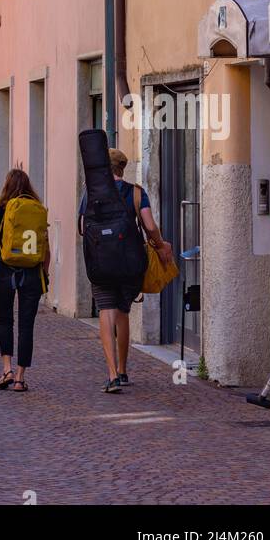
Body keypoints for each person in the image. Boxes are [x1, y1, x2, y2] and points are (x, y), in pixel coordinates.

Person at [78, 147, 173, 393]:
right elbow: (149, 226)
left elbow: (81, 225)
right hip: (129, 263)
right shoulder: (136, 193)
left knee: (106, 311)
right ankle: (122, 370)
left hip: (100, 263)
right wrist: (161, 246)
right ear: (122, 167)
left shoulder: (90, 193)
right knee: (123, 311)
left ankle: (111, 375)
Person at [0, 169, 50, 393]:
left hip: (5, 270)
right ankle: (20, 378)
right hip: (31, 272)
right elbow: (46, 248)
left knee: (5, 320)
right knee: (27, 325)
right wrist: (45, 274)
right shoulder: (37, 209)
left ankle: (7, 369)